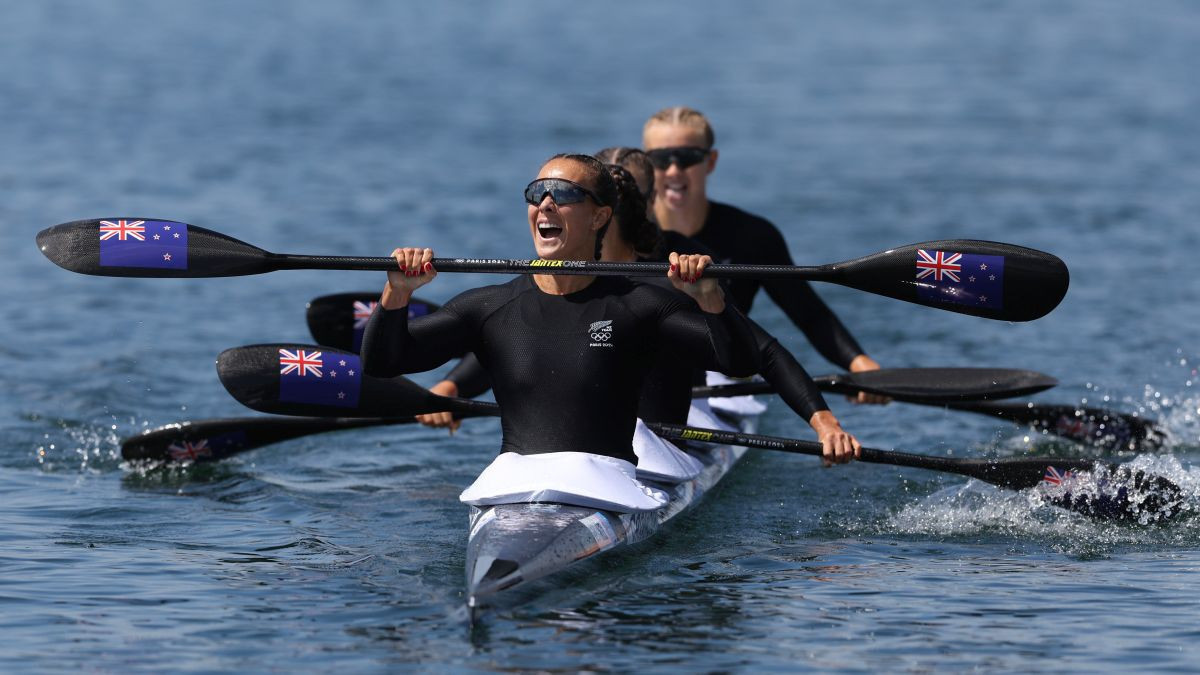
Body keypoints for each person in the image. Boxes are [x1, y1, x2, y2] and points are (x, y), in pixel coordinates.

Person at [361, 153, 763, 512]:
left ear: (599, 216)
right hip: (512, 485)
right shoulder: (490, 305)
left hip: (610, 487)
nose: (546, 203)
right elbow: (383, 362)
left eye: (564, 193)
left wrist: (710, 298)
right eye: (537, 193)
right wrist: (397, 292)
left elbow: (741, 363)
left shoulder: (639, 305)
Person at [596, 150, 860, 466]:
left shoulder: (686, 265)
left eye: (629, 200)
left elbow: (761, 353)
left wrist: (825, 424)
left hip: (679, 411)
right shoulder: (561, 278)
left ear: (651, 199)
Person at [642, 106, 887, 404]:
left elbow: (808, 314)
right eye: (660, 159)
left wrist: (860, 365)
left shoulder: (751, 236)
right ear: (645, 164)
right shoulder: (625, 236)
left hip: (722, 373)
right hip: (646, 373)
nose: (673, 171)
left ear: (711, 161)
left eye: (688, 157)